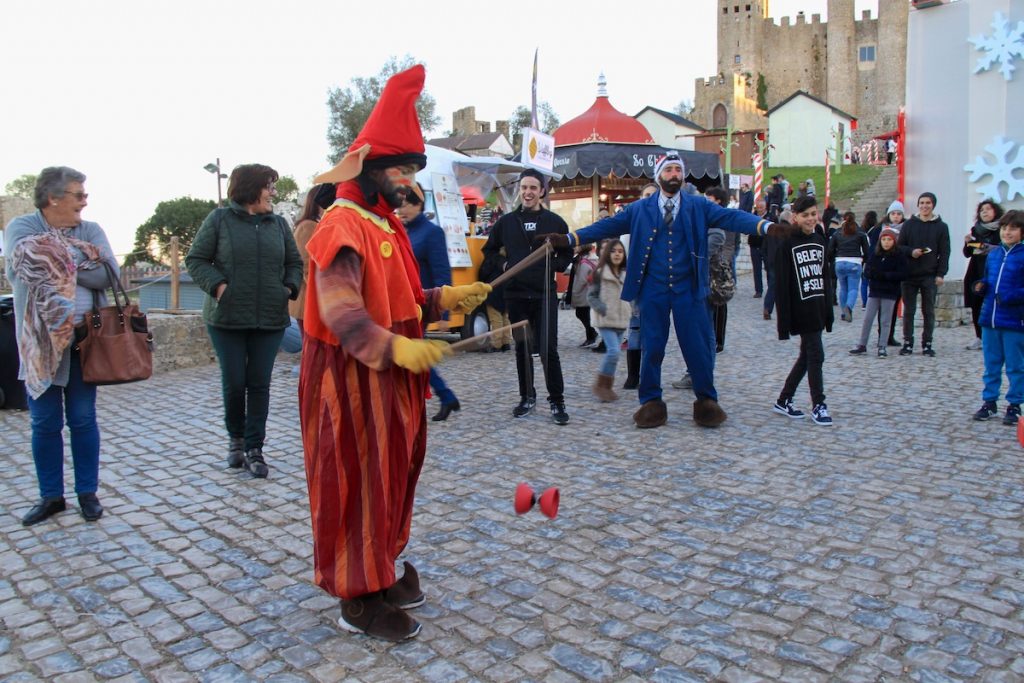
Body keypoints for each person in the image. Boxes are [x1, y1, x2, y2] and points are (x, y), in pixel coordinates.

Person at [298, 65, 490, 642]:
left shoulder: (386, 223)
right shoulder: (342, 224)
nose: (408, 181)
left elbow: (399, 300)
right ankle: (356, 597)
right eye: (401, 169)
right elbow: (341, 312)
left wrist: (444, 297)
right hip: (350, 380)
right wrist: (397, 349)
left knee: (393, 476)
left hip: (388, 379)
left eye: (411, 170)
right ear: (373, 168)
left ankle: (379, 568)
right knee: (356, 481)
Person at [545, 152, 775, 429]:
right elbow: (605, 226)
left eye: (678, 170)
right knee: (652, 347)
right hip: (652, 288)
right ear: (659, 175)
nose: (675, 174)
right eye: (669, 170)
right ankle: (651, 401)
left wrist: (765, 226)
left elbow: (731, 217)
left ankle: (706, 401)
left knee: (698, 347)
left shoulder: (698, 206)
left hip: (689, 288)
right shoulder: (639, 209)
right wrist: (570, 238)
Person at [4, 167, 117, 526]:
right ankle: (51, 496)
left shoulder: (91, 230)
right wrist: (82, 260)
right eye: (78, 194)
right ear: (54, 198)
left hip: (87, 340)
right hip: (41, 344)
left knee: (83, 419)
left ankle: (87, 493)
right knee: (44, 422)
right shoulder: (22, 228)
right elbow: (26, 267)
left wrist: (63, 262)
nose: (85, 201)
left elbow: (108, 274)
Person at [186, 164, 303, 478]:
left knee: (259, 385)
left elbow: (294, 262)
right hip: (226, 320)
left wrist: (289, 289)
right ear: (251, 188)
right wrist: (220, 287)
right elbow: (196, 259)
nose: (274, 193)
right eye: (269, 186)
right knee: (235, 383)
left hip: (270, 318)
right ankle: (235, 440)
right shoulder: (219, 219)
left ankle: (255, 449)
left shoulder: (278, 225)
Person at [483, 169, 573, 425]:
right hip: (516, 296)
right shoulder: (506, 223)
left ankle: (557, 400)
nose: (528, 192)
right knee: (522, 349)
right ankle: (527, 397)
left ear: (542, 191)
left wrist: (554, 263)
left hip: (544, 295)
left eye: (533, 187)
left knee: (548, 349)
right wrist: (503, 265)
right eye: (524, 187)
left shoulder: (555, 222)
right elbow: (488, 252)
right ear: (519, 190)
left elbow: (568, 254)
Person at [397, 183, 461, 421]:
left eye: (405, 204)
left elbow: (443, 275)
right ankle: (445, 396)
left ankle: (441, 396)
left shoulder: (432, 233)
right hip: (399, 304)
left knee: (412, 353)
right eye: (398, 204)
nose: (400, 210)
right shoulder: (400, 231)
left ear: (418, 204)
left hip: (420, 306)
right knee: (412, 355)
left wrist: (444, 315)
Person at [772, 195, 835, 426]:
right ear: (795, 217)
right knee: (816, 355)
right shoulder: (786, 244)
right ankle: (819, 404)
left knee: (806, 357)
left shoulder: (820, 240)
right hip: (801, 309)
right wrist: (784, 323)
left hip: (817, 306)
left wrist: (828, 311)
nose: (810, 219)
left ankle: (784, 399)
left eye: (813, 214)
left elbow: (825, 277)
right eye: (805, 215)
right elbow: (781, 285)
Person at [972, 210, 1024, 425]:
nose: (1007, 232)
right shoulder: (993, 255)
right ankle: (989, 401)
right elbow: (987, 278)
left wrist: (1011, 296)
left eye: (1012, 228)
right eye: (1004, 228)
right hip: (990, 319)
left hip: (1014, 320)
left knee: (1015, 366)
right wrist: (981, 286)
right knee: (991, 364)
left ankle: (1014, 404)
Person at [896, 192, 951, 357]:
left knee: (928, 311)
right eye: (921, 203)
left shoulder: (941, 227)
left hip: (929, 275)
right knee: (909, 311)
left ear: (933, 205)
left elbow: (945, 252)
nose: (924, 206)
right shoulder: (908, 225)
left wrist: (941, 273)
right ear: (918, 205)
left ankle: (927, 343)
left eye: (928, 203)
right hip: (909, 275)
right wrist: (911, 252)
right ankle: (908, 342)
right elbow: (899, 247)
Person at [849, 226, 908, 357]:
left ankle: (882, 346)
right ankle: (862, 344)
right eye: (884, 239)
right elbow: (868, 271)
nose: (886, 242)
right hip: (875, 291)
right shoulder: (875, 254)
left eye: (889, 239)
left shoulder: (899, 256)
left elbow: (902, 274)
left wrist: (886, 275)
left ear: (894, 241)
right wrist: (874, 275)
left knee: (885, 320)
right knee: (868, 319)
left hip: (889, 292)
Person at [624, 183, 660, 390]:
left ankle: (650, 376)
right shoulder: (633, 222)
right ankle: (632, 375)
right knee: (635, 330)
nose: (649, 199)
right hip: (637, 285)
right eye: (646, 195)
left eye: (652, 195)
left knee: (653, 334)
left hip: (656, 287)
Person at [587, 239, 630, 402]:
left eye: (620, 251)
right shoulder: (600, 273)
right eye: (613, 251)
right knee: (613, 351)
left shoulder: (626, 274)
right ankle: (600, 385)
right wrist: (602, 308)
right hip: (605, 319)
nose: (617, 254)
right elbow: (591, 296)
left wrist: (630, 309)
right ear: (607, 253)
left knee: (615, 355)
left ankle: (607, 387)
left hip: (621, 319)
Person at [290, 184, 336, 334]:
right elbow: (307, 266)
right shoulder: (309, 226)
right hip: (307, 302)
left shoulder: (315, 224)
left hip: (313, 300)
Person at [963, 199, 1005, 351]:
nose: (985, 212)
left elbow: (1003, 249)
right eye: (982, 210)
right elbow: (968, 253)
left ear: (995, 211)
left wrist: (988, 247)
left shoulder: (1002, 230)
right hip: (976, 270)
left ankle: (995, 338)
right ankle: (979, 337)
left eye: (988, 209)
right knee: (976, 305)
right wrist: (967, 242)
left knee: (995, 304)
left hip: (994, 271)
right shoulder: (976, 230)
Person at [705, 186, 736, 353]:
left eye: (709, 198)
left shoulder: (725, 218)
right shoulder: (707, 217)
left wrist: (724, 261)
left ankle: (719, 339)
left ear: (717, 200)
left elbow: (730, 244)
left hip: (719, 265)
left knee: (720, 302)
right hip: (708, 265)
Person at [827, 211, 869, 323]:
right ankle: (849, 307)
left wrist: (830, 260)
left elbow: (830, 250)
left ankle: (843, 312)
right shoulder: (860, 233)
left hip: (840, 262)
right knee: (853, 288)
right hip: (855, 262)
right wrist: (863, 261)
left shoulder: (837, 233)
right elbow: (867, 251)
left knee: (843, 288)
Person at [567, 243, 599, 348]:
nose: (574, 248)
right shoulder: (584, 259)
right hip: (588, 292)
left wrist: (574, 292)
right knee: (583, 314)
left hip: (584, 292)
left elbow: (581, 280)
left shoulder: (583, 262)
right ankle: (591, 334)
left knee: (582, 314)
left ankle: (591, 335)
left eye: (576, 246)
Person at [859, 210, 879, 307]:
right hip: (874, 256)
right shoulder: (877, 229)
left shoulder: (861, 229)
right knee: (872, 281)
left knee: (864, 282)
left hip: (864, 258)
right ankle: (872, 301)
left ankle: (864, 303)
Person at [748, 198, 767, 299]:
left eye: (761, 208)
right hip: (754, 245)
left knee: (769, 268)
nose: (759, 209)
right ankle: (758, 290)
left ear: (765, 207)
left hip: (767, 247)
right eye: (758, 207)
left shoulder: (770, 216)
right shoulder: (752, 216)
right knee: (757, 269)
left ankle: (771, 289)